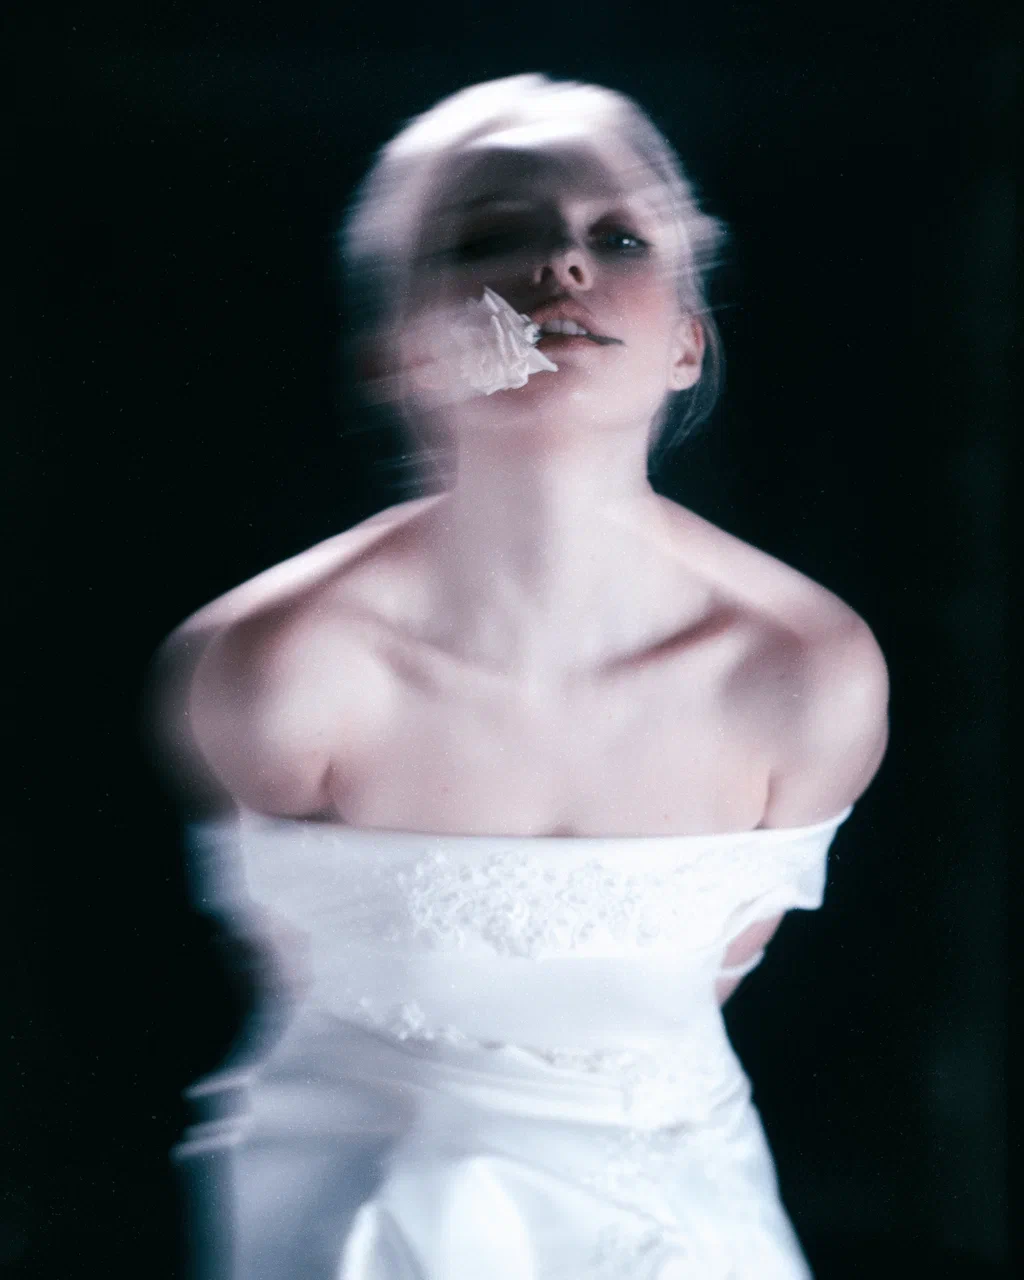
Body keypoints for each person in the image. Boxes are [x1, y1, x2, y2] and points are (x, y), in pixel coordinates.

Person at [152, 74, 888, 1280]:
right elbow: (289, 969)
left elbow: (707, 982)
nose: (563, 265)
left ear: (687, 340)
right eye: (490, 236)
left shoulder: (804, 676)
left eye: (621, 238)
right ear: (399, 353)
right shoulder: (277, 671)